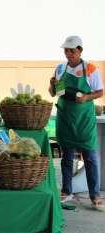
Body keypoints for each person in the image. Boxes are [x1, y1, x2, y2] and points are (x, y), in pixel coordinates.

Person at [49, 35, 104, 210]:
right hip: (66, 118)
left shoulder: (90, 69)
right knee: (67, 157)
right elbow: (55, 93)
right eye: (66, 50)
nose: (69, 54)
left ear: (80, 50)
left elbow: (100, 92)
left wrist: (87, 97)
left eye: (72, 50)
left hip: (83, 120)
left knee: (90, 158)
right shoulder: (60, 68)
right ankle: (66, 191)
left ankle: (95, 195)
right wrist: (52, 85)